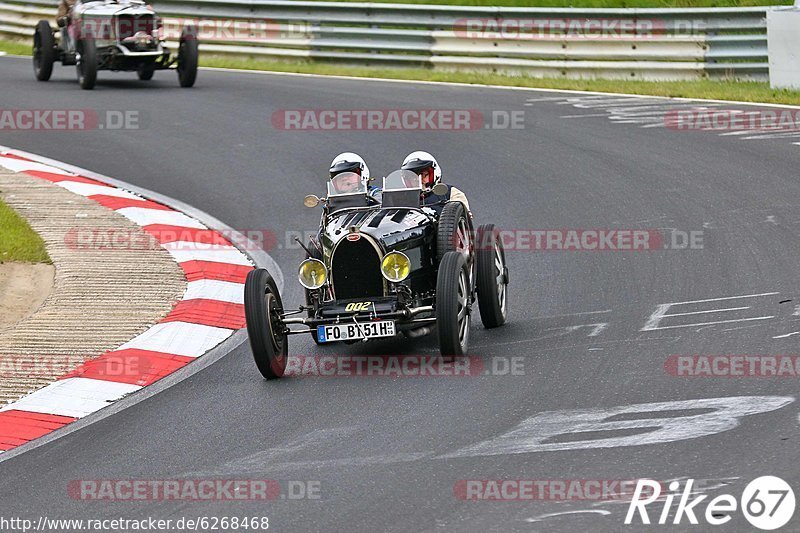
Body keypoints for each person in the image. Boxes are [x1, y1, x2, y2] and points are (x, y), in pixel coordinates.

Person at [400, 151, 470, 213]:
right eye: (413, 177)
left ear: (434, 175)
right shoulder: (400, 200)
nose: (419, 180)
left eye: (424, 175)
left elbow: (465, 219)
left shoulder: (450, 193)